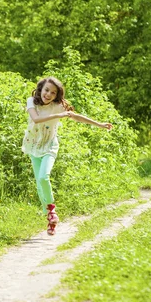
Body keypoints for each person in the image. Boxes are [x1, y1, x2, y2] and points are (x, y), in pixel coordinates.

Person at [22, 76, 113, 235]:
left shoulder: (58, 106)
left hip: (49, 145)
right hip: (33, 145)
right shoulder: (32, 101)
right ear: (40, 89)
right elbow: (36, 119)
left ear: (57, 95)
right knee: (39, 185)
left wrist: (99, 124)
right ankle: (50, 219)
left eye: (53, 92)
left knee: (44, 177)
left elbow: (76, 116)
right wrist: (59, 116)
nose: (48, 94)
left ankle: (51, 210)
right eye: (46, 90)